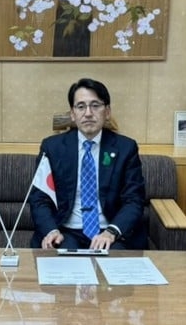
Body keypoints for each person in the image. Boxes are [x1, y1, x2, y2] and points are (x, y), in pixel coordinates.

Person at [29, 78, 147, 250]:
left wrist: (112, 232)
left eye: (95, 105)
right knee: (63, 262)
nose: (88, 113)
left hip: (110, 231)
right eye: (81, 106)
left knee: (115, 263)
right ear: (72, 113)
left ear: (107, 112)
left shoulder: (125, 148)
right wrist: (51, 230)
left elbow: (134, 200)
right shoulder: (52, 148)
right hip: (66, 231)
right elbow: (39, 199)